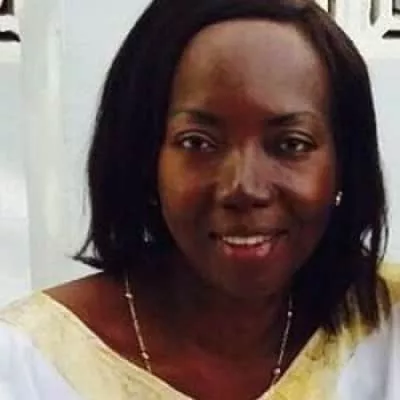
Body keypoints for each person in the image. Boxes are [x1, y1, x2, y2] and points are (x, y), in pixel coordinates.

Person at [0, 0, 399, 398]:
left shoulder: (388, 334)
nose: (244, 187)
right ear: (143, 156)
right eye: (198, 143)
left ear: (345, 164)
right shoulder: (29, 365)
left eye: (291, 144)